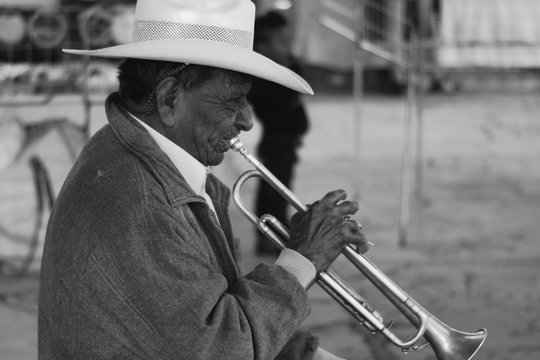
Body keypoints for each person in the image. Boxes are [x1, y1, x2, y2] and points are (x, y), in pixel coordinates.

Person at [38, 1, 367, 359]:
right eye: (233, 100)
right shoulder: (142, 203)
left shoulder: (131, 156)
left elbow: (202, 320)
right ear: (169, 99)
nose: (246, 121)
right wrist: (303, 258)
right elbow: (223, 347)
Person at [248, 11, 310, 255]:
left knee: (279, 188)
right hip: (276, 142)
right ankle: (270, 235)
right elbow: (287, 97)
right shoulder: (266, 78)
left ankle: (274, 232)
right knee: (275, 191)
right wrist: (291, 67)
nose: (288, 49)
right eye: (282, 43)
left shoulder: (277, 72)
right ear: (262, 47)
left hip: (284, 142)